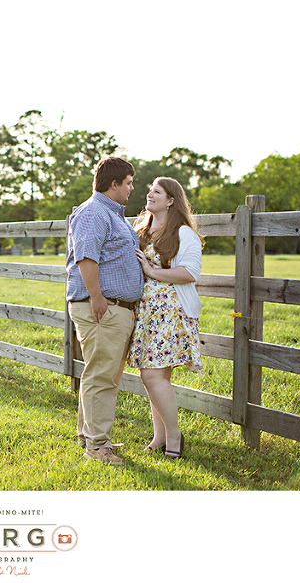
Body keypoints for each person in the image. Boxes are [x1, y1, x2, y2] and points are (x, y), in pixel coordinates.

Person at [65, 157, 144, 465]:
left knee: (99, 373)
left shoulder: (110, 214)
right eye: (129, 183)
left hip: (113, 308)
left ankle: (89, 435)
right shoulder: (94, 212)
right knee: (101, 376)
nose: (132, 188)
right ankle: (98, 446)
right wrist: (97, 298)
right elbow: (86, 257)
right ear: (114, 184)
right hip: (102, 307)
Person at [128, 177, 204, 459]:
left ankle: (174, 435)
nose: (149, 194)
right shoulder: (140, 231)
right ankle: (159, 437)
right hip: (146, 312)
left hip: (171, 312)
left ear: (171, 200)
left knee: (151, 375)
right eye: (150, 190)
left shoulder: (183, 233)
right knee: (156, 376)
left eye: (157, 192)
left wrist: (152, 272)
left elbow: (190, 273)